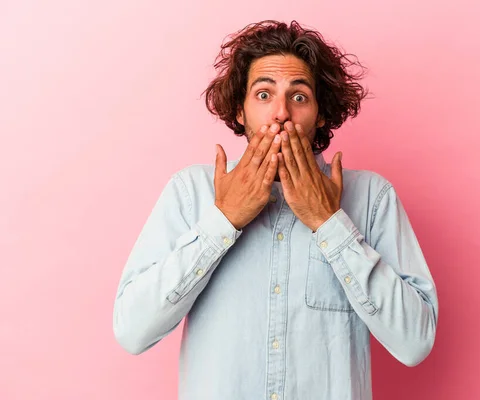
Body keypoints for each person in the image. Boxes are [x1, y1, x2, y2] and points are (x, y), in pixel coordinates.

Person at [113, 20, 438, 400]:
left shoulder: (372, 197)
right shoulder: (191, 192)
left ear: (320, 113)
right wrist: (223, 220)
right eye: (264, 95)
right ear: (240, 111)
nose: (281, 113)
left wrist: (330, 223)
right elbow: (132, 332)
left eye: (299, 97)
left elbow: (416, 343)